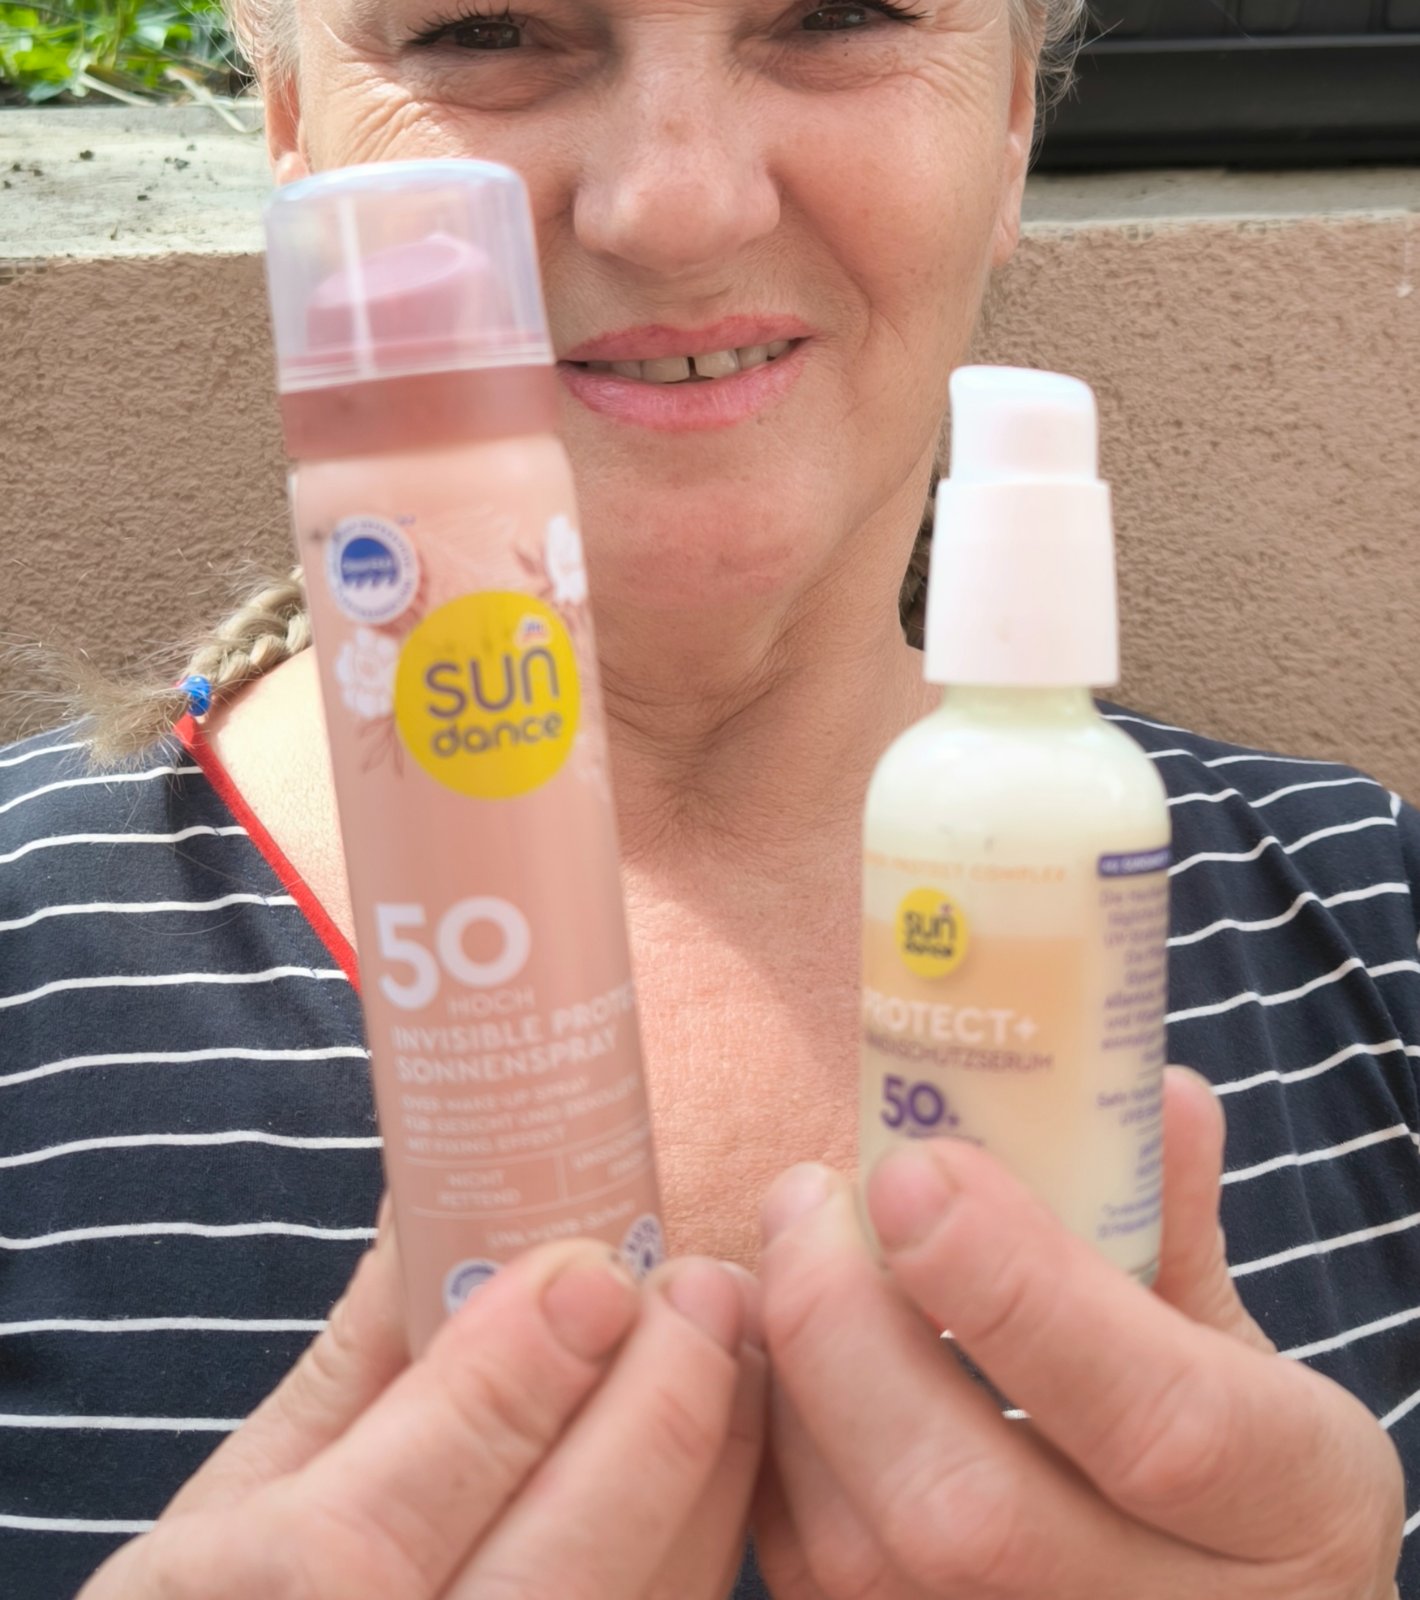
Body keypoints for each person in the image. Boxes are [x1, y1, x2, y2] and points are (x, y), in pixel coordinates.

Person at [1, 1, 1416, 1596]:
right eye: (482, 25)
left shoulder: (1380, 925)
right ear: (294, 138)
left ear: (1013, 116)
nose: (673, 207)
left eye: (840, 11)